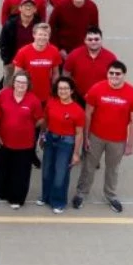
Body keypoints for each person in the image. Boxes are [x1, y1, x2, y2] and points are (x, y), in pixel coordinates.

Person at [74, 61, 133, 213]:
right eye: (111, 73)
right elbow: (87, 114)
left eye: (118, 74)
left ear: (124, 75)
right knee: (88, 167)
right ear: (107, 74)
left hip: (117, 140)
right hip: (95, 137)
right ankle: (81, 193)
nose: (114, 76)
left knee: (113, 169)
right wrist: (86, 137)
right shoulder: (96, 89)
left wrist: (130, 144)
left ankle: (110, 195)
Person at [0, 70, 41, 208]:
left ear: (28, 84)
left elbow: (39, 120)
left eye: (24, 82)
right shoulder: (4, 94)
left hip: (24, 144)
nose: (20, 85)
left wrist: (25, 127)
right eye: (18, 81)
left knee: (20, 172)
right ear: (13, 82)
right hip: (4, 139)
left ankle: (16, 198)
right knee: (2, 167)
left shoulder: (33, 100)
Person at [40, 76, 84, 213]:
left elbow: (79, 133)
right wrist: (42, 137)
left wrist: (76, 153)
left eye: (66, 88)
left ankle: (58, 201)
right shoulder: (51, 102)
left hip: (66, 143)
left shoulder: (78, 110)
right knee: (47, 171)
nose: (62, 91)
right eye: (60, 88)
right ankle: (45, 197)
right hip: (50, 139)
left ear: (71, 91)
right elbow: (45, 121)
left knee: (61, 173)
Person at [13, 23, 62, 104]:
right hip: (27, 95)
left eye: (45, 35)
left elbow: (56, 73)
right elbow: (16, 75)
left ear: (49, 36)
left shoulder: (54, 51)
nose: (42, 38)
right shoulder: (23, 52)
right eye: (40, 34)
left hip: (46, 95)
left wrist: (55, 90)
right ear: (34, 35)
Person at [64, 28, 118, 100]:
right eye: (90, 39)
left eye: (96, 39)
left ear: (101, 40)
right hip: (77, 98)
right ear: (85, 41)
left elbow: (115, 79)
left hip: (102, 98)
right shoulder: (74, 55)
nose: (93, 42)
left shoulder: (111, 58)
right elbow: (65, 76)